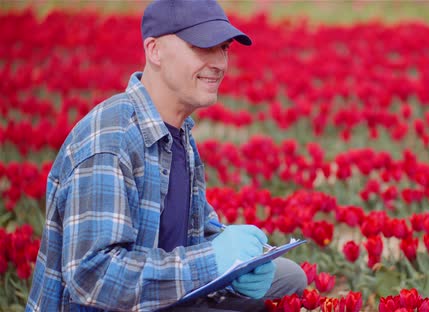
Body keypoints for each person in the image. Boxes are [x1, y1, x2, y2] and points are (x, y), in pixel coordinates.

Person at [25, 0, 307, 311]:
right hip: (106, 305)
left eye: (224, 48)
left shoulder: (178, 132)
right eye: (203, 47)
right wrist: (210, 262)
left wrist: (246, 257)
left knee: (289, 278)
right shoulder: (111, 139)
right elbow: (94, 278)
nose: (219, 63)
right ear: (154, 50)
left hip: (161, 291)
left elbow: (191, 232)